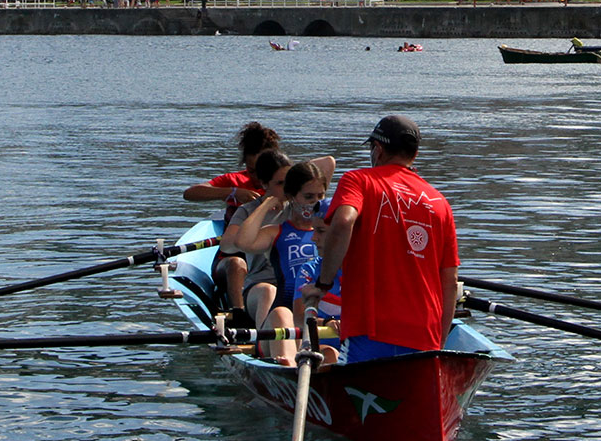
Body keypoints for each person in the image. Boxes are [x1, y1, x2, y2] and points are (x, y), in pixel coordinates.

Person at [297, 115, 458, 363]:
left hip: (370, 330)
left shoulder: (359, 181)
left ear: (378, 150)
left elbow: (342, 222)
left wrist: (323, 284)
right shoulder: (440, 203)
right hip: (425, 335)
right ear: (414, 154)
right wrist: (440, 343)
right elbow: (450, 281)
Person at [235, 157, 341, 365]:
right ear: (292, 197)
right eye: (308, 197)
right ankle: (290, 369)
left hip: (319, 324)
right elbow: (243, 242)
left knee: (329, 352)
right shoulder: (278, 232)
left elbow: (329, 162)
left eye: (320, 196)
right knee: (283, 313)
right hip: (282, 324)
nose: (315, 202)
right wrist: (268, 203)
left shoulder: (332, 233)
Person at [182, 122, 284, 316]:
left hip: (268, 260)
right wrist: (232, 192)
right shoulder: (235, 181)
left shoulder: (284, 185)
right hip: (232, 258)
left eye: (261, 170)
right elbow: (190, 193)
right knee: (237, 264)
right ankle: (239, 313)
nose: (255, 177)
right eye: (251, 169)